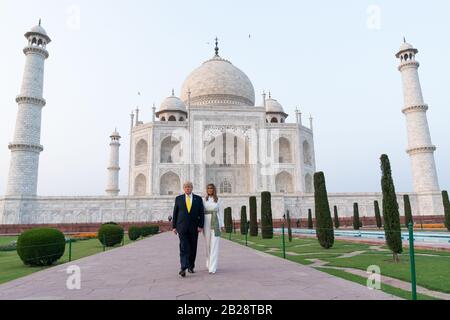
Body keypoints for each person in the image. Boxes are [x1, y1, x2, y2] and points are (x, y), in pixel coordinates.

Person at [172, 182, 204, 278]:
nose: (187, 188)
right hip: (182, 227)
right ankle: (183, 267)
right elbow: (175, 213)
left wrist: (200, 225)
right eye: (186, 187)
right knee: (183, 246)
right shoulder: (179, 199)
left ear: (192, 188)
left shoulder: (198, 199)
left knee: (193, 247)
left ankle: (191, 266)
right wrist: (174, 227)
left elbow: (201, 213)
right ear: (183, 188)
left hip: (194, 227)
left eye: (189, 187)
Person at [203, 184, 225, 274]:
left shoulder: (218, 200)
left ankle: (212, 267)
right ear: (206, 190)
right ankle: (208, 263)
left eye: (211, 188)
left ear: (214, 189)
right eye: (208, 188)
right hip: (206, 222)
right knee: (207, 244)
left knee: (215, 244)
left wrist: (222, 225)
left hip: (216, 222)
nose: (210, 189)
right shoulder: (204, 200)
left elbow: (221, 213)